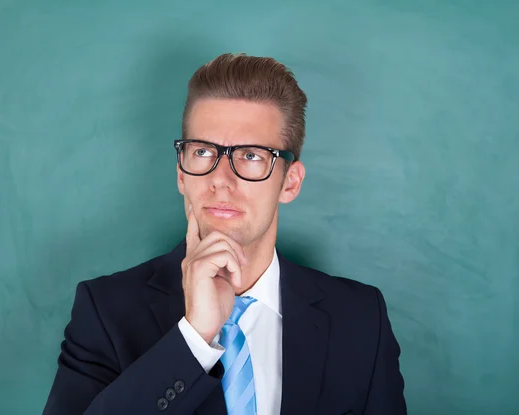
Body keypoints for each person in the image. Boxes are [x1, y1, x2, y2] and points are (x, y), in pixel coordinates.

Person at [42, 53, 406, 415]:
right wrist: (194, 339)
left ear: (290, 182)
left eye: (250, 156)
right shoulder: (105, 311)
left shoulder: (360, 320)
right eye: (203, 151)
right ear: (182, 174)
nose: (221, 180)